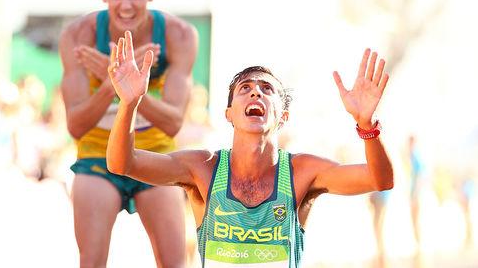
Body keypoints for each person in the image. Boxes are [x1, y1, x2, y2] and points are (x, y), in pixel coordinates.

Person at [106, 31, 393, 267]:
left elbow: (379, 180)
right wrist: (129, 105)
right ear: (229, 114)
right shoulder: (203, 168)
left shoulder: (301, 172)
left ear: (283, 116)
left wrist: (367, 125)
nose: (256, 91)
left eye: (267, 90)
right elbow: (122, 164)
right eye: (245, 88)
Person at [59, 0, 198, 268]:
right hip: (96, 152)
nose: (126, 5)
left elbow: (174, 124)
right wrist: (112, 83)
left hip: (155, 151)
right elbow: (75, 126)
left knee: (176, 263)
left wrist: (132, 87)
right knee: (91, 262)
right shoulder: (78, 36)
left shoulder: (179, 35)